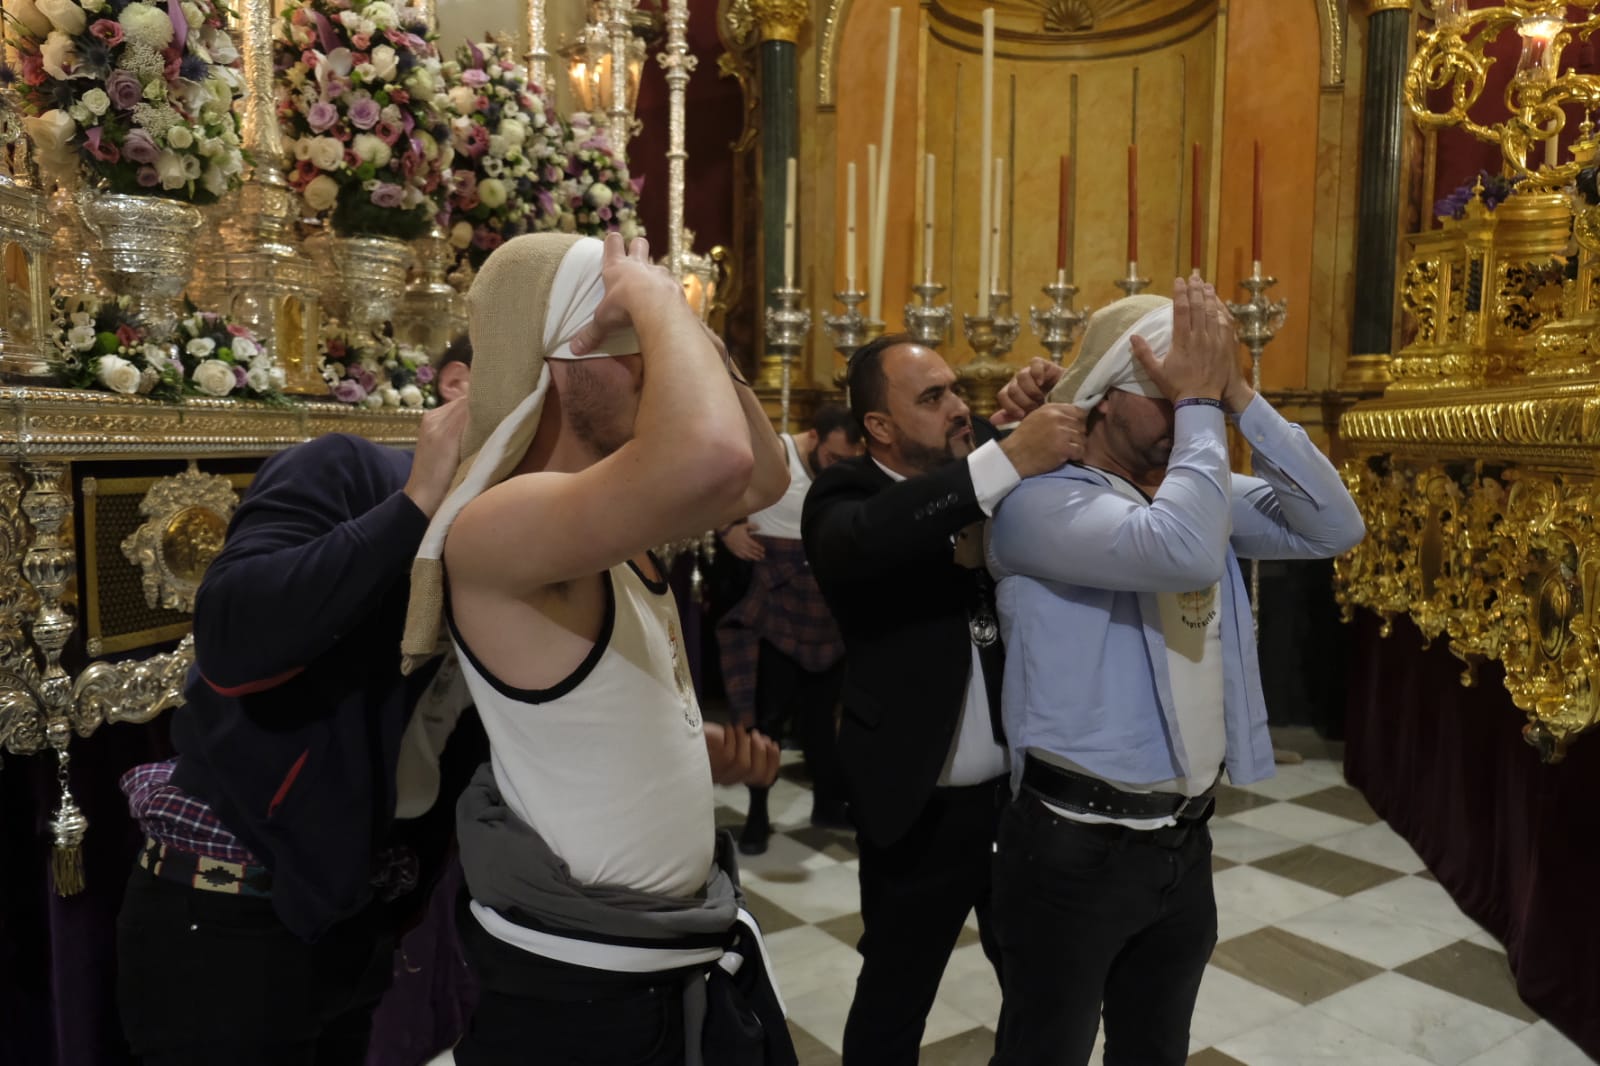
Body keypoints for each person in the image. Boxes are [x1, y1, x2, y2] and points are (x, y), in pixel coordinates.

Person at [399, 232, 794, 1066]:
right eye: (627, 345)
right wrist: (655, 299)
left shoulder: (607, 522)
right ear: (555, 359)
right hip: (583, 1002)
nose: (654, 365)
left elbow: (760, 479)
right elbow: (716, 458)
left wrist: (679, 319)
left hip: (657, 968)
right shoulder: (495, 526)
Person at [985, 277, 1365, 1066]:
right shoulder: (1039, 502)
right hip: (1071, 851)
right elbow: (1180, 549)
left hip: (1180, 844)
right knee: (1041, 1054)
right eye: (1171, 397)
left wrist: (1241, 395)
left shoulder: (1190, 492)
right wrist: (1201, 408)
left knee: (1155, 1051)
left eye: (1201, 397)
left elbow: (1335, 525)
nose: (1197, 415)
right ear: (1108, 398)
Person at [115, 341, 484, 1065]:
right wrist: (416, 505)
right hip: (223, 923)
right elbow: (232, 638)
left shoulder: (526, 540)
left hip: (349, 916)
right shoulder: (345, 468)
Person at [800, 335, 1085, 1064]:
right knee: (895, 998)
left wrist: (1047, 400)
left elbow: (1034, 449)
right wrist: (1007, 455)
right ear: (881, 428)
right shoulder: (846, 493)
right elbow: (872, 538)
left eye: (956, 389)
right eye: (932, 398)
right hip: (916, 805)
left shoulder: (980, 460)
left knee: (1039, 991)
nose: (959, 407)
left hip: (1020, 803)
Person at [718, 402, 862, 854]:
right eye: (836, 459)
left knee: (822, 716)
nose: (840, 469)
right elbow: (712, 488)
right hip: (776, 605)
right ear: (815, 437)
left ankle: (827, 804)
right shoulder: (775, 454)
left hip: (827, 604)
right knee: (768, 720)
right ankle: (758, 818)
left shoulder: (848, 464)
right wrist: (726, 531)